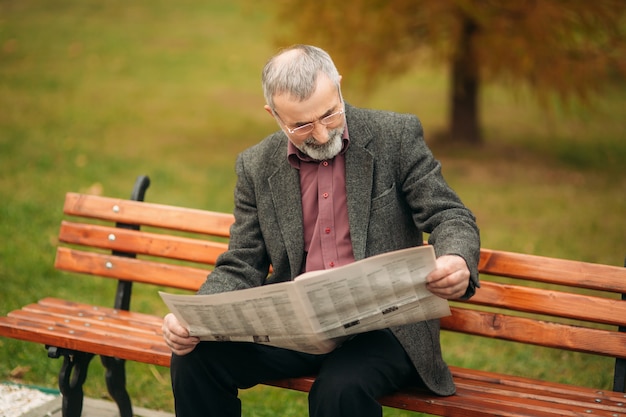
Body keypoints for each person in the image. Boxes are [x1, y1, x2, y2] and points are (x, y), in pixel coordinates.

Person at [162, 44, 480, 417]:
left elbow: (450, 214)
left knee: (339, 391)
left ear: (339, 85)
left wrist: (455, 258)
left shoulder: (394, 136)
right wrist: (195, 318)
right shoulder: (255, 165)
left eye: (329, 114)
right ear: (274, 114)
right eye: (300, 125)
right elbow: (242, 261)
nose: (319, 133)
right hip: (296, 328)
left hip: (384, 328)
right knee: (196, 356)